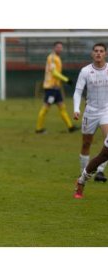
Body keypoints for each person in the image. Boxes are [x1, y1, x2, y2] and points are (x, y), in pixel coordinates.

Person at [73, 43, 108, 183]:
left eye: (101, 51)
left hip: (106, 110)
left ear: (105, 53)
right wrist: (76, 109)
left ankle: (100, 172)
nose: (98, 53)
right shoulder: (85, 71)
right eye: (96, 51)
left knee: (107, 140)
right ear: (92, 54)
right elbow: (78, 91)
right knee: (86, 143)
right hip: (90, 112)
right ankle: (84, 174)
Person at [35, 41, 78, 134]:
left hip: (56, 88)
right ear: (54, 48)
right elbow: (54, 73)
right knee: (46, 107)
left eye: (61, 47)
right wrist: (66, 80)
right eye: (58, 47)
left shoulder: (57, 58)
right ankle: (39, 129)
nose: (59, 49)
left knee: (62, 107)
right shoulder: (52, 58)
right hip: (51, 88)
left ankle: (70, 127)